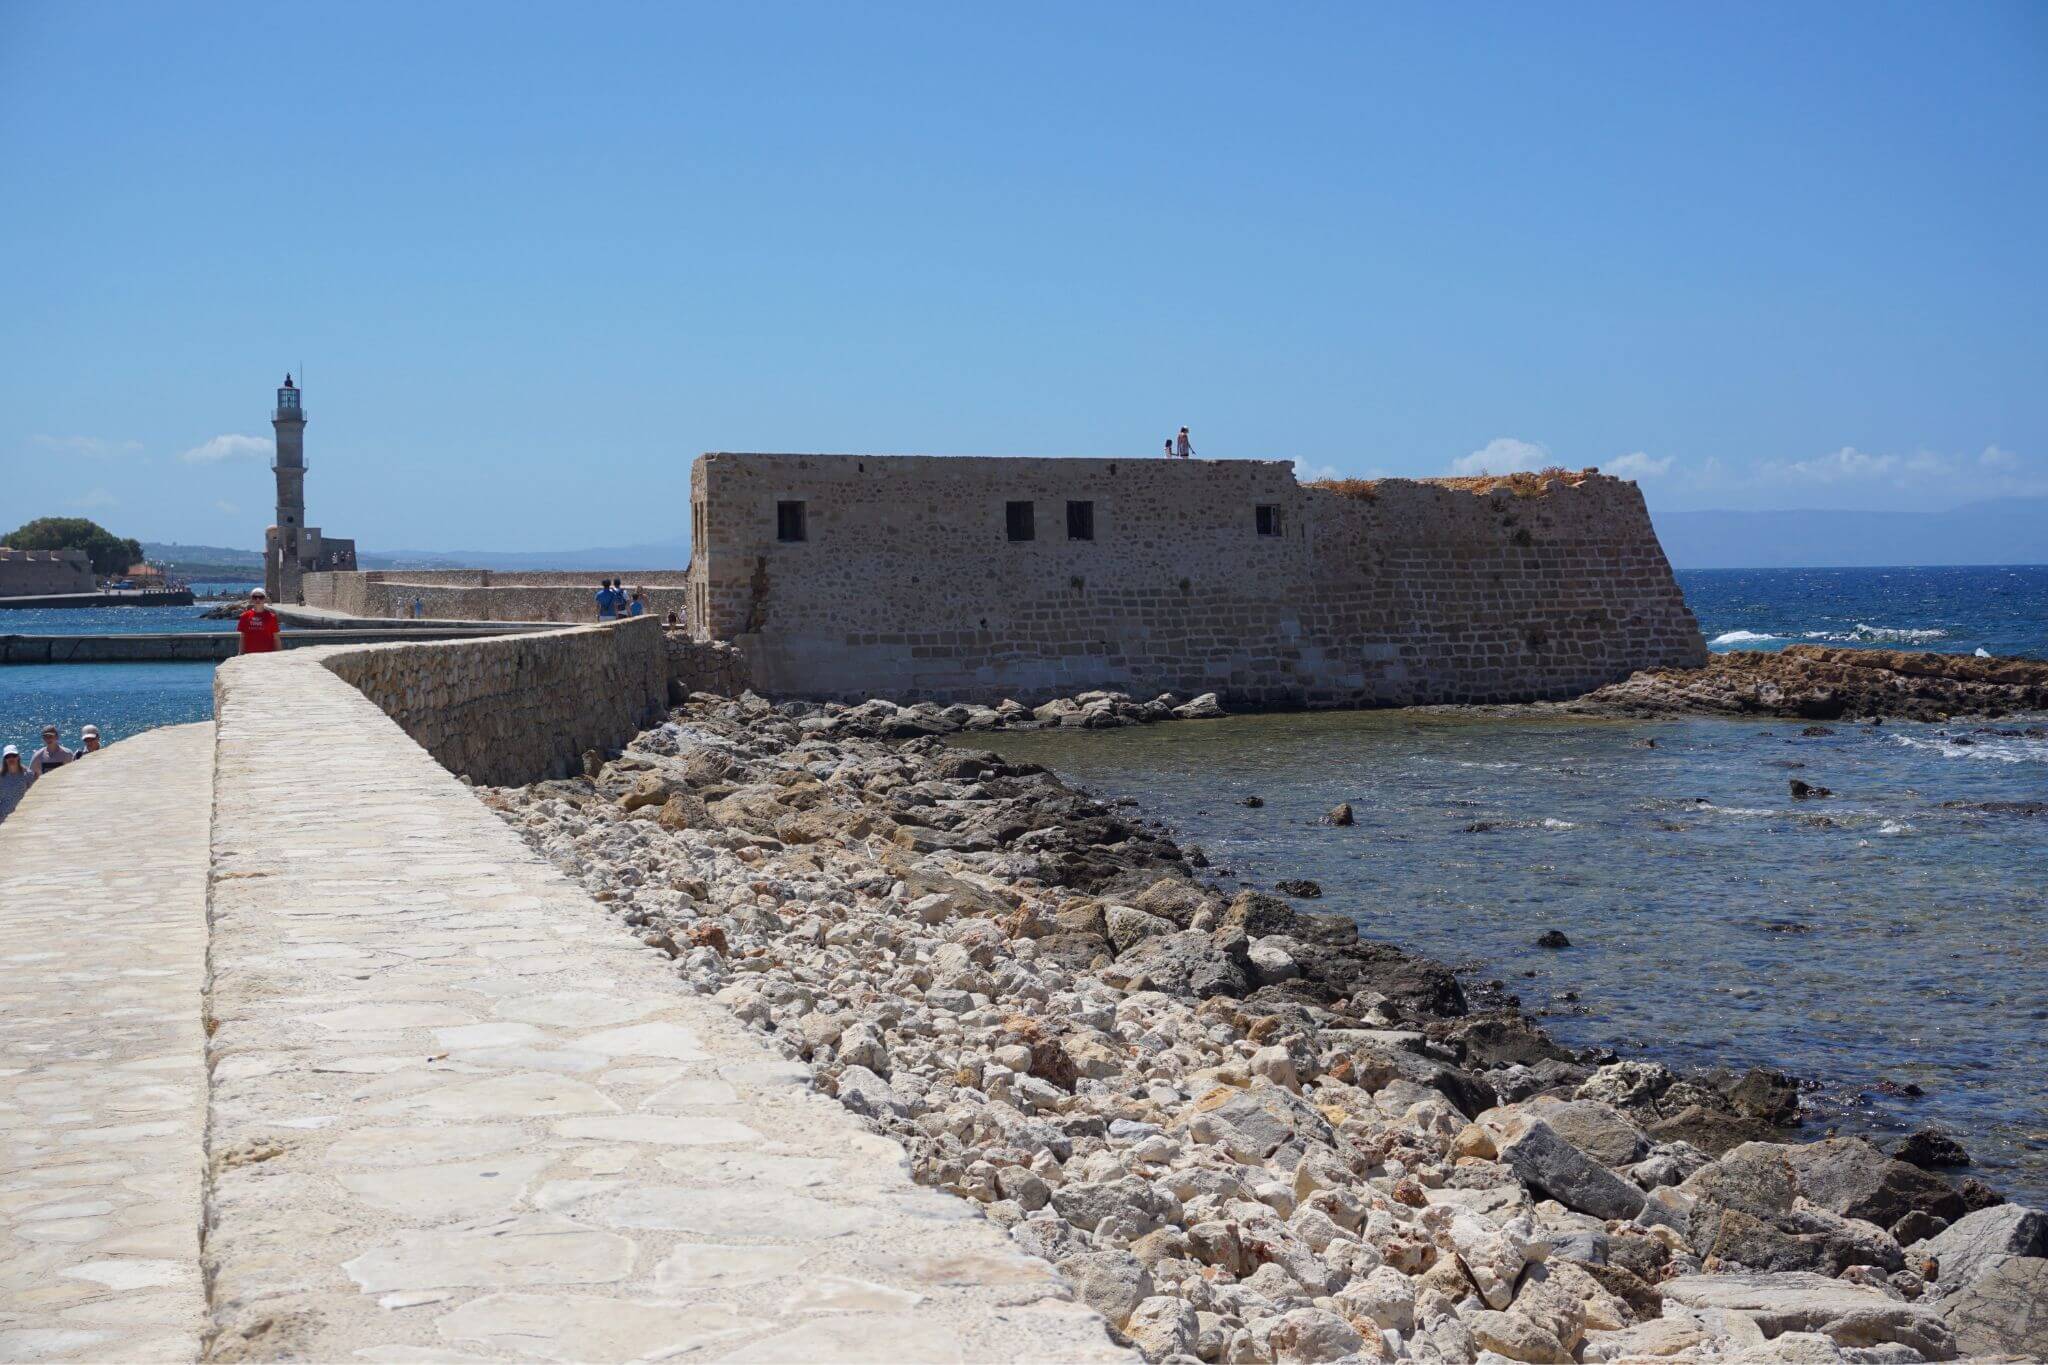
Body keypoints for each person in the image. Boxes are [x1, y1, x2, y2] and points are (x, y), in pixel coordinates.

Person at [238, 588, 282, 654]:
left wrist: (279, 654)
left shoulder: (272, 617)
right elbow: (242, 637)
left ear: (265, 599)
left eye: (261, 597)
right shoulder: (244, 616)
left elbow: (276, 638)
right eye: (255, 597)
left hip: (268, 655)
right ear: (251, 599)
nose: (257, 599)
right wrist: (240, 653)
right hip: (249, 655)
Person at [0, 746, 31, 822]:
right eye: (8, 756)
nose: (11, 759)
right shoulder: (1, 775)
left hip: (23, 816)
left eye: (13, 756)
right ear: (5, 759)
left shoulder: (27, 774)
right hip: (3, 817)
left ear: (18, 757)